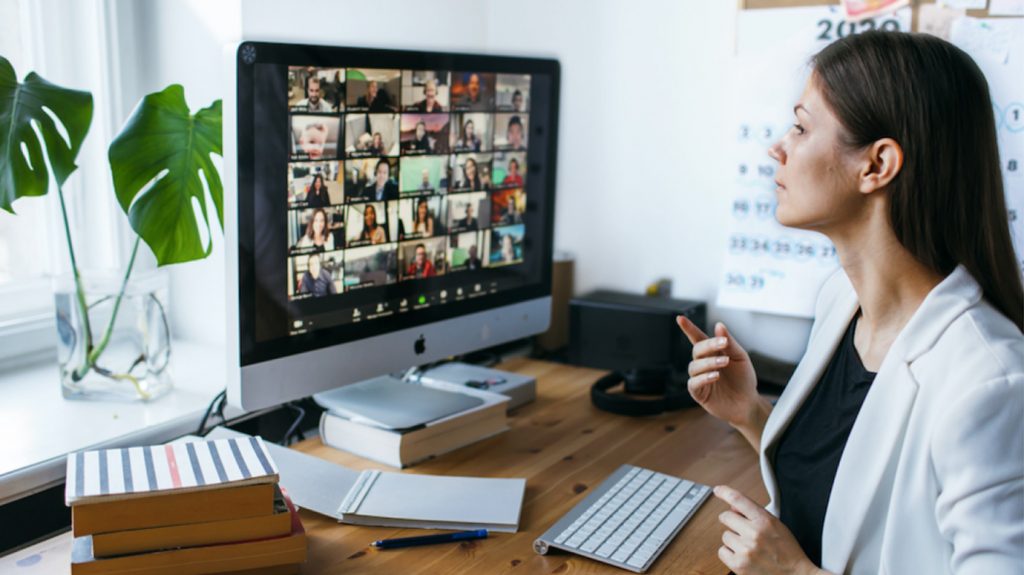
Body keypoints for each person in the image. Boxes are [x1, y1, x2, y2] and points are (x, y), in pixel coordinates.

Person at [676, 32, 1023, 575]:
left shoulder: (990, 382)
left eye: (800, 126)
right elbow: (844, 486)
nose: (777, 147)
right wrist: (751, 415)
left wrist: (793, 572)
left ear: (877, 165)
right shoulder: (842, 301)